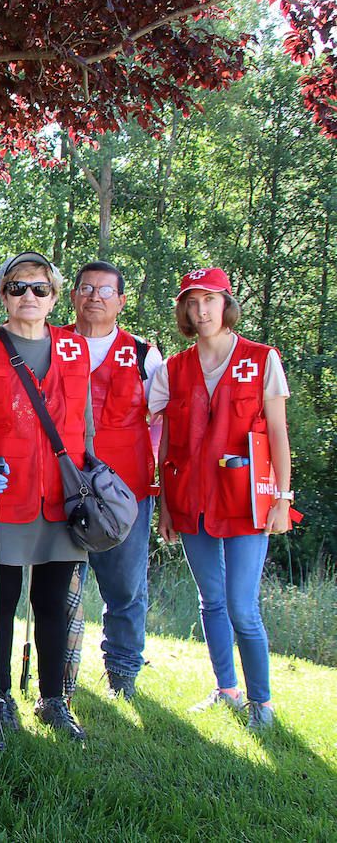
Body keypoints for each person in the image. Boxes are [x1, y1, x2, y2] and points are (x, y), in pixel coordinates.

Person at [0, 251, 93, 741]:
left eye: (39, 288)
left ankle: (54, 700)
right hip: (1, 501)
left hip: (61, 501)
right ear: (2, 295)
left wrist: (91, 484)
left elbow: (84, 430)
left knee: (53, 601)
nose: (28, 296)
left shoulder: (75, 350)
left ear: (53, 296)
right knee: (1, 600)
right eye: (17, 288)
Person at [152, 268, 295, 732]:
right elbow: (166, 441)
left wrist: (282, 497)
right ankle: (225, 689)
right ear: (185, 311)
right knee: (210, 601)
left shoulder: (261, 358)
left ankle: (261, 703)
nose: (201, 310)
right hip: (190, 499)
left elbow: (277, 433)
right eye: (192, 302)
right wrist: (167, 506)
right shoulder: (174, 368)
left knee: (241, 607)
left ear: (226, 303)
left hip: (246, 501)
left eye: (210, 300)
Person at [68, 260, 164, 700]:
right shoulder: (53, 343)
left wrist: (153, 462)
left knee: (125, 584)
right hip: (65, 483)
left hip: (127, 489)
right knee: (62, 581)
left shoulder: (145, 354)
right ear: (72, 296)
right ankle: (61, 669)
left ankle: (123, 671)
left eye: (105, 291)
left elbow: (162, 418)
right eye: (86, 288)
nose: (94, 297)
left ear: (121, 301)